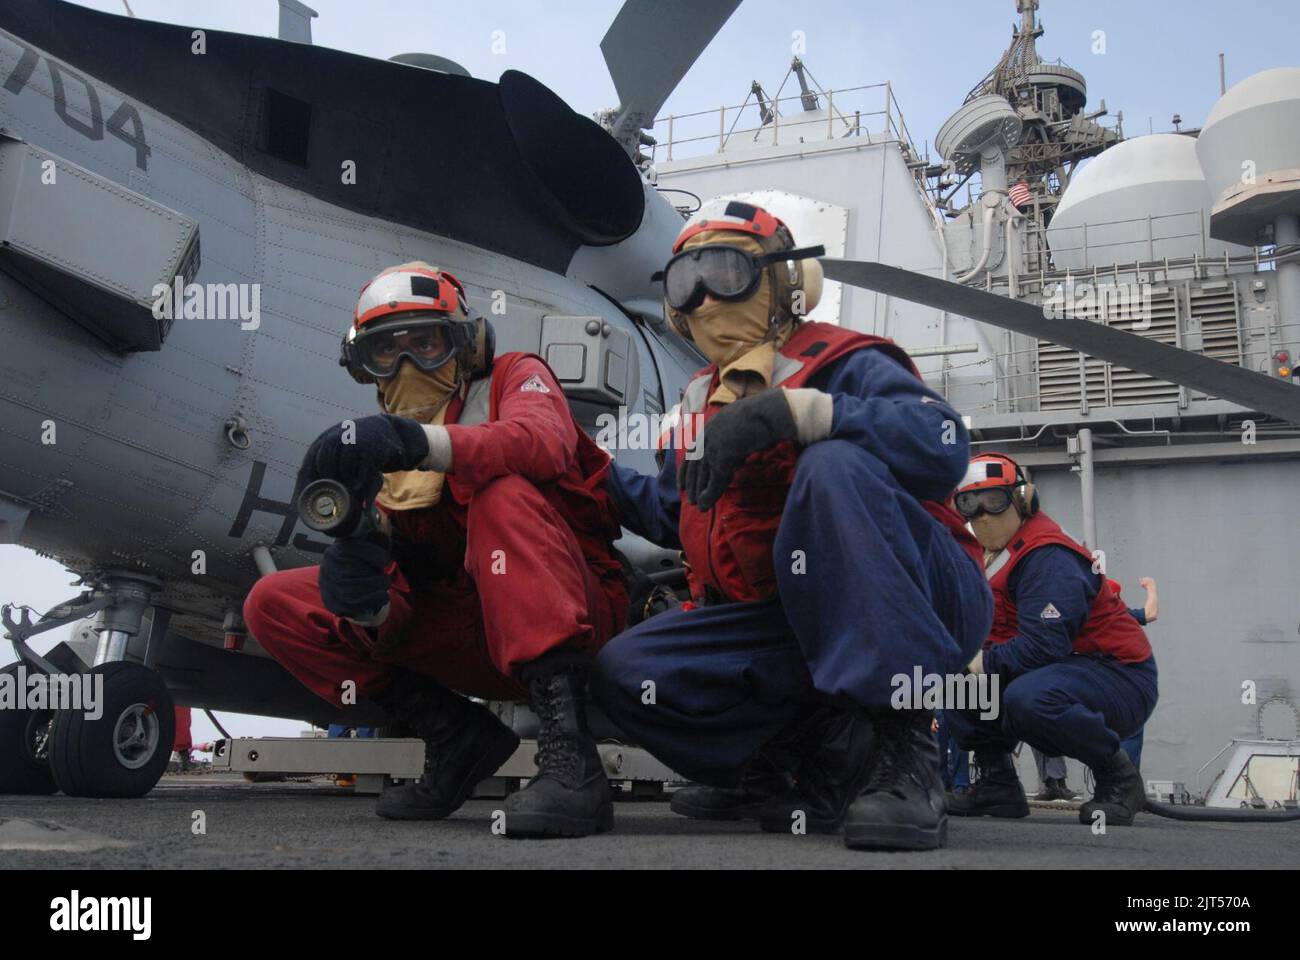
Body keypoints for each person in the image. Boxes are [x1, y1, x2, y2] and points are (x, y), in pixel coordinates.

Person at [590, 201, 991, 851]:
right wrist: (585, 471)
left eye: (727, 273)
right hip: (790, 623)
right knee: (626, 670)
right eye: (685, 282)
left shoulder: (844, 361)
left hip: (924, 595)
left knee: (833, 466)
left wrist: (799, 413)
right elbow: (675, 510)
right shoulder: (697, 402)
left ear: (786, 286)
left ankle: (904, 750)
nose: (705, 298)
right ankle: (790, 767)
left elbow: (942, 446)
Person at [243, 263, 628, 837]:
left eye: (425, 343)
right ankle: (456, 736)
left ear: (466, 343)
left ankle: (572, 761)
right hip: (475, 631)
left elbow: (545, 443)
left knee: (501, 495)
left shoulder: (513, 377)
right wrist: (367, 599)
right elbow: (409, 601)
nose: (407, 367)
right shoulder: (379, 457)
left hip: (577, 617)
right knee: (273, 601)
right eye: (385, 353)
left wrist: (419, 444)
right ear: (362, 366)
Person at [943, 454, 1158, 826]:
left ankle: (1120, 781)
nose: (982, 514)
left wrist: (975, 663)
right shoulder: (992, 556)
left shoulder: (1047, 554)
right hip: (1064, 669)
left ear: (1023, 499)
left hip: (1119, 675)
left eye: (994, 500)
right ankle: (998, 783)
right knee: (957, 686)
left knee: (1025, 697)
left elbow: (1043, 646)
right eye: (969, 503)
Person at [1109, 577, 1160, 771]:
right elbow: (1151, 613)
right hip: (1126, 690)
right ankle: (1126, 788)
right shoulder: (1122, 615)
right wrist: (1151, 588)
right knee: (1130, 739)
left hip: (1102, 690)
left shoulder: (1090, 618)